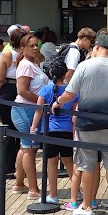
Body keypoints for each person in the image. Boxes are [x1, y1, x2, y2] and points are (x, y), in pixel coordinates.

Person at [58, 33, 108, 215]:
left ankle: (86, 207)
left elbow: (69, 93)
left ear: (97, 47)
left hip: (87, 123)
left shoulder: (84, 65)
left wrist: (57, 102)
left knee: (88, 165)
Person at [31, 56, 78, 205]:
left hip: (49, 130)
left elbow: (39, 111)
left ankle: (53, 194)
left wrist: (33, 128)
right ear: (65, 74)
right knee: (70, 163)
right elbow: (75, 113)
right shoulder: (72, 91)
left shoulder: (45, 90)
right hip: (67, 131)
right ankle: (77, 192)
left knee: (51, 163)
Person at [13, 33, 49, 197]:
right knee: (30, 149)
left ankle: (19, 183)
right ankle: (34, 189)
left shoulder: (32, 63)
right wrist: (42, 102)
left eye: (36, 45)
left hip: (29, 109)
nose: (35, 48)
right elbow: (22, 90)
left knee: (25, 147)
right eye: (31, 46)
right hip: (26, 109)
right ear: (23, 48)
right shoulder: (26, 65)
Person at [0, 26, 28, 178]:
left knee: (7, 129)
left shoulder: (6, 54)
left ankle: (7, 167)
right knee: (20, 130)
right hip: (23, 91)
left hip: (7, 90)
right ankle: (21, 167)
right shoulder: (29, 54)